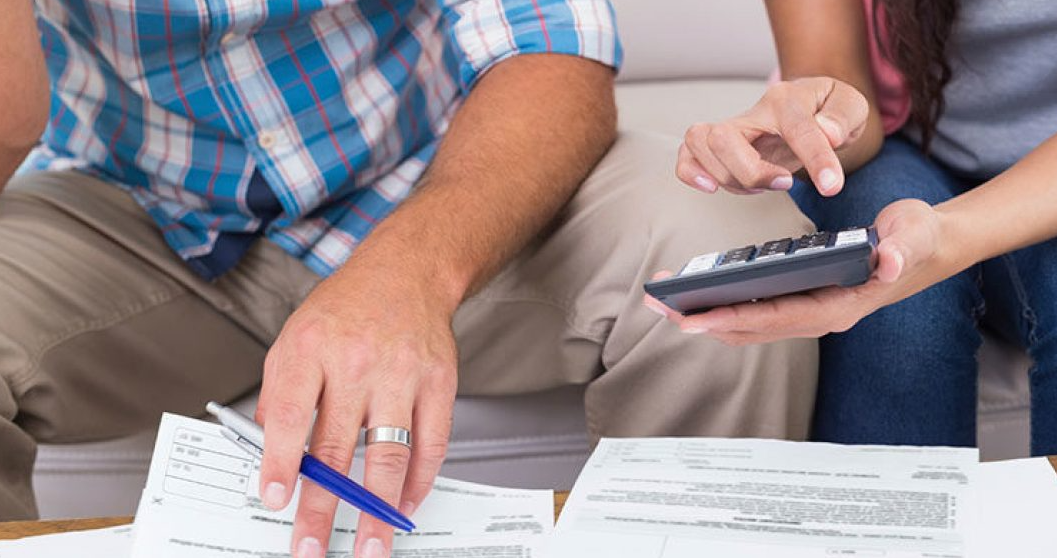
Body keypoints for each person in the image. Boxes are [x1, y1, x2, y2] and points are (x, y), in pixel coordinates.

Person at [0, 1, 818, 556]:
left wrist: (408, 275)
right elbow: (11, 121)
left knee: (727, 255)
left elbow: (548, 44)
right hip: (135, 207)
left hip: (441, 179)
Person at [649, 0, 1057, 456]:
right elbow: (834, 78)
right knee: (898, 308)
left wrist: (944, 238)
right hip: (912, 147)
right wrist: (816, 131)